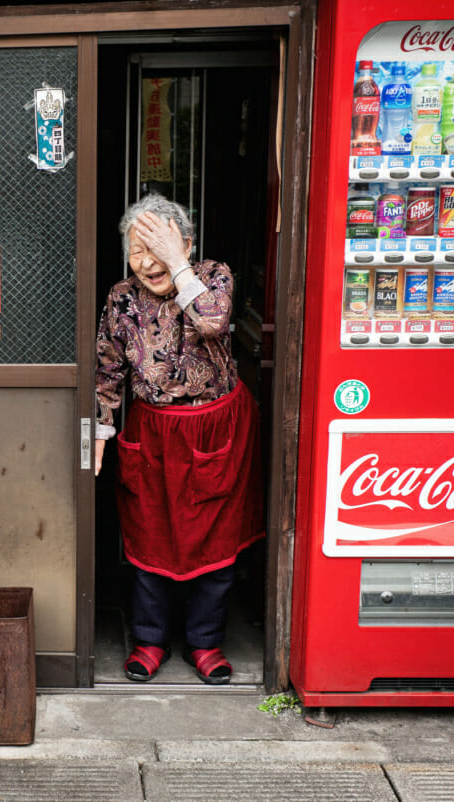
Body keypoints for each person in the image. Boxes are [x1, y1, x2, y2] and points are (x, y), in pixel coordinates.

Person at [94, 194, 264, 684]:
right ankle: (149, 640)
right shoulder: (121, 298)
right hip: (153, 430)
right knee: (149, 535)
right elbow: (108, 369)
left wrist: (178, 264)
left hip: (217, 429)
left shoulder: (213, 276)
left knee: (216, 539)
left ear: (186, 243)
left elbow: (212, 321)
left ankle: (206, 644)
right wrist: (101, 431)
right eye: (136, 250)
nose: (147, 262)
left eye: (158, 247)